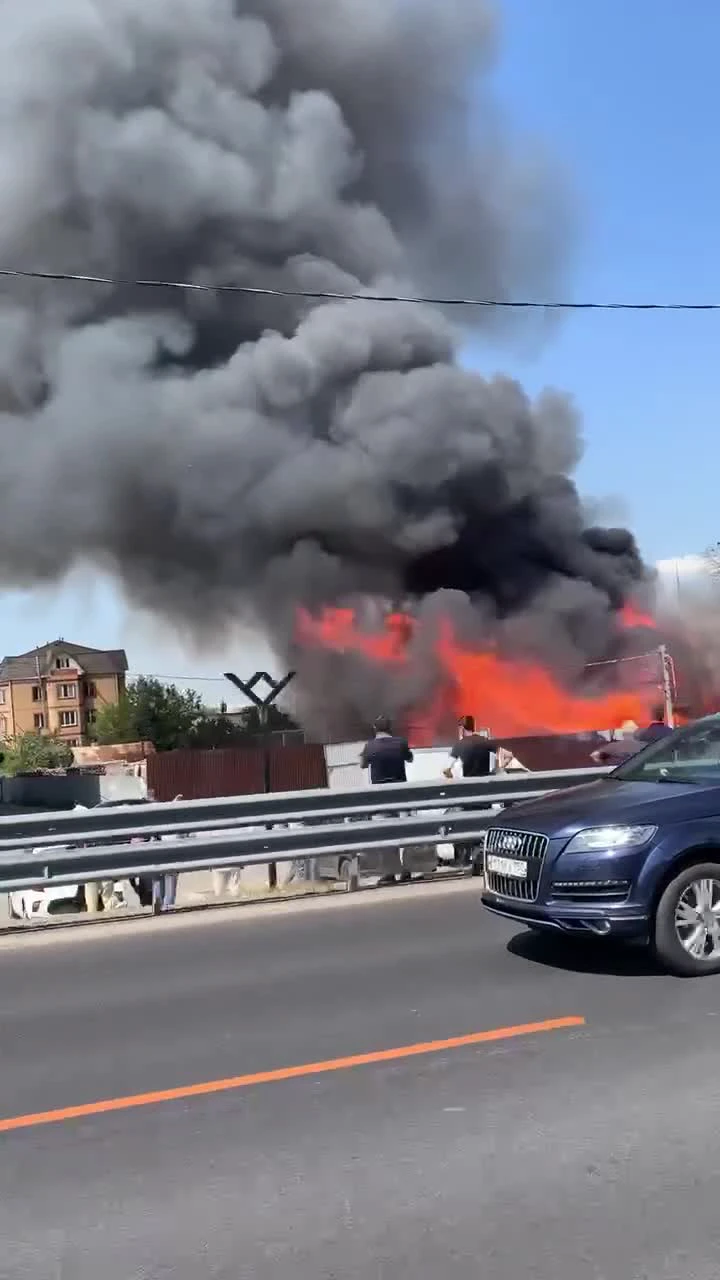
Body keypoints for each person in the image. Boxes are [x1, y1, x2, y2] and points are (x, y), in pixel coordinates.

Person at [360, 716, 413, 887]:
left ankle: (390, 873)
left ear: (375, 728)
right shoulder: (400, 743)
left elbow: (362, 764)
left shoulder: (370, 746)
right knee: (403, 833)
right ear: (390, 728)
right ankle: (406, 870)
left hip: (381, 798)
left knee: (385, 835)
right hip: (401, 796)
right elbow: (410, 758)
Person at [443, 716, 497, 869]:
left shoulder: (459, 745)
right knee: (482, 825)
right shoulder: (485, 742)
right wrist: (493, 773)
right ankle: (480, 857)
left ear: (461, 728)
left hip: (467, 795)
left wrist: (449, 774)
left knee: (458, 822)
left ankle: (463, 858)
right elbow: (503, 754)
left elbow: (451, 770)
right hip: (484, 795)